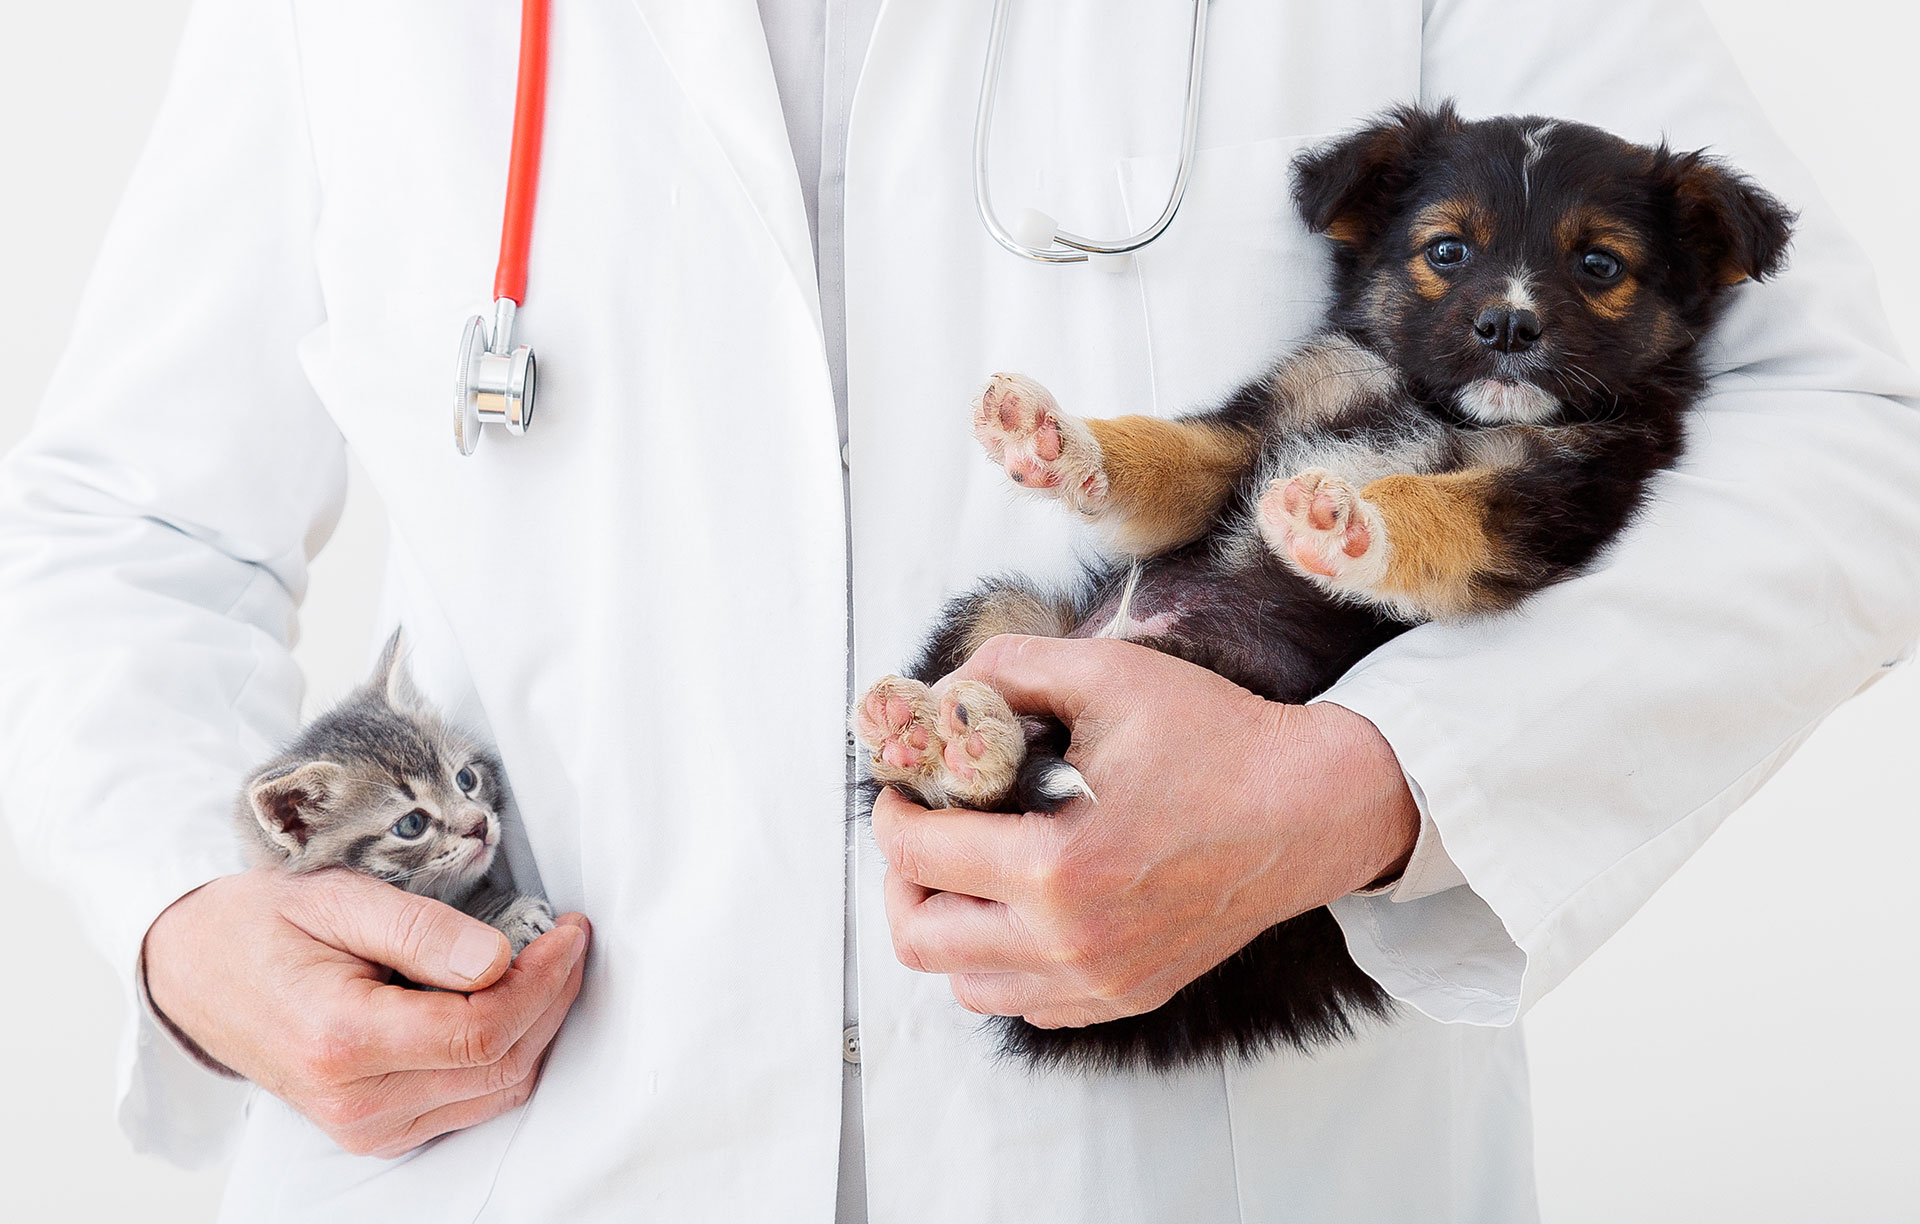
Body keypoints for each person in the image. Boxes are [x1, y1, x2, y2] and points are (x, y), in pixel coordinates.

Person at [2, 1, 1916, 1220]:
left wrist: (1372, 782)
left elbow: (1845, 433)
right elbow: (124, 511)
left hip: (1200, 1151)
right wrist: (189, 919)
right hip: (522, 1152)